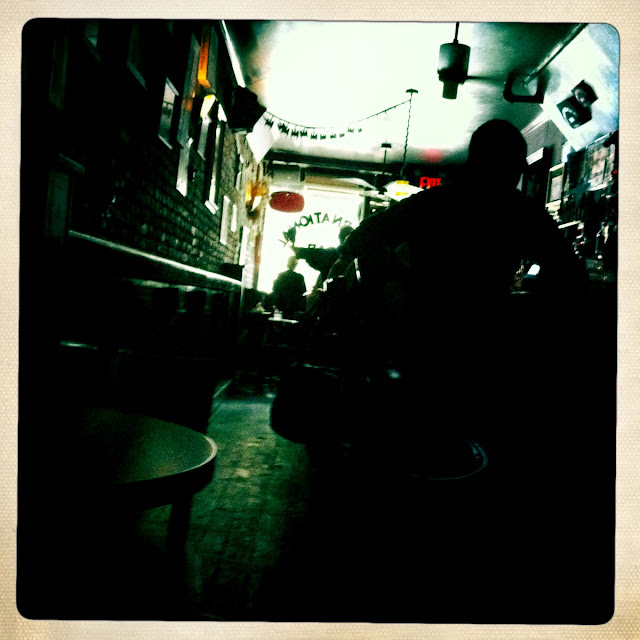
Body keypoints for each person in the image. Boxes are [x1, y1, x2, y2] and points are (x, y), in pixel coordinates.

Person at [270, 255, 307, 319]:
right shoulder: (299, 277)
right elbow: (302, 291)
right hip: (294, 306)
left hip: (282, 304)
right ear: (296, 264)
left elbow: (275, 289)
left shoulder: (281, 275)